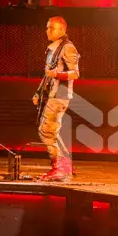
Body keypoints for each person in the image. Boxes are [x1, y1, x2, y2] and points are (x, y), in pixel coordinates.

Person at [32, 16, 80, 182]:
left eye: (51, 28)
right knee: (51, 131)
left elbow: (75, 73)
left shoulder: (68, 48)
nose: (47, 31)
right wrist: (39, 92)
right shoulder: (54, 48)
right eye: (47, 27)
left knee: (46, 132)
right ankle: (65, 165)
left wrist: (56, 74)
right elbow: (47, 75)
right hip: (52, 94)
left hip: (59, 96)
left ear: (61, 30)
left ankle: (60, 168)